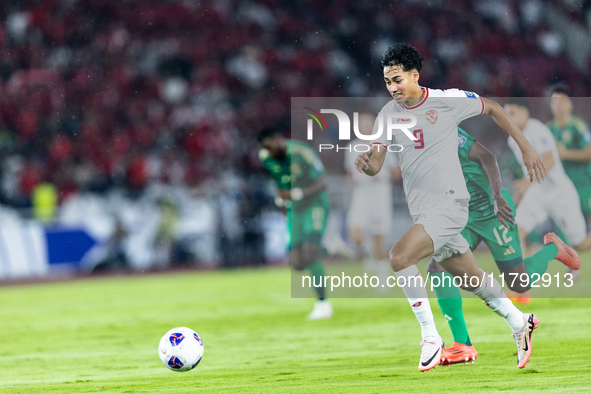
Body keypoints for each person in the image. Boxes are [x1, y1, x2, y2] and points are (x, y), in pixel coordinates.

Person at [355, 43, 546, 371]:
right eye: (387, 82)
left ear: (415, 75)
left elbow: (495, 109)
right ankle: (520, 322)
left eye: (398, 79)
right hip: (423, 210)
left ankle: (430, 337)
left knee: (400, 257)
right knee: (472, 278)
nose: (392, 88)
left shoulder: (447, 101)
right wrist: (367, 164)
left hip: (451, 203)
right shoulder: (389, 114)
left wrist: (525, 147)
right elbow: (377, 166)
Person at [428, 128, 579, 365]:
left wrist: (497, 196)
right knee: (438, 267)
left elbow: (487, 157)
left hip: (494, 211)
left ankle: (554, 249)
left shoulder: (443, 128)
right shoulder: (411, 136)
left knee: (518, 283)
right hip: (464, 216)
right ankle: (462, 344)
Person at [258, 127, 332, 320]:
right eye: (266, 148)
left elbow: (323, 182)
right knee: (297, 263)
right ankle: (326, 248)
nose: (271, 152)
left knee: (309, 253)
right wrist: (281, 201)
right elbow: (278, 181)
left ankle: (323, 304)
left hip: (314, 203)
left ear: (279, 139)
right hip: (294, 210)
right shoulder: (265, 157)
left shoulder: (302, 152)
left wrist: (298, 193)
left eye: (272, 146)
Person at [504, 98, 591, 257]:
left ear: (525, 113)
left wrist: (527, 182)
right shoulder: (512, 139)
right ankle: (523, 280)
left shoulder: (538, 129)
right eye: (506, 114)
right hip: (538, 193)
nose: (508, 117)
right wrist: (524, 188)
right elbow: (527, 168)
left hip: (559, 193)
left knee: (581, 244)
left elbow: (549, 161)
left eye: (512, 113)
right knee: (516, 232)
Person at [345, 113, 401, 278]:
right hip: (361, 195)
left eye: (368, 124)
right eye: (362, 125)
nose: (364, 127)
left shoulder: (382, 146)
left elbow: (396, 172)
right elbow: (349, 173)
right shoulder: (351, 147)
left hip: (379, 195)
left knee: (379, 238)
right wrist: (353, 179)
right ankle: (368, 253)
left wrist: (380, 176)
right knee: (354, 235)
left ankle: (383, 277)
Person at [547, 83, 591, 223]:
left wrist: (565, 154)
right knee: (566, 230)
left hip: (584, 184)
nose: (559, 105)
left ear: (570, 104)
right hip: (562, 187)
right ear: (551, 106)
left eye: (562, 101)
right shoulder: (547, 131)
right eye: (555, 101)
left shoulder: (579, 126)